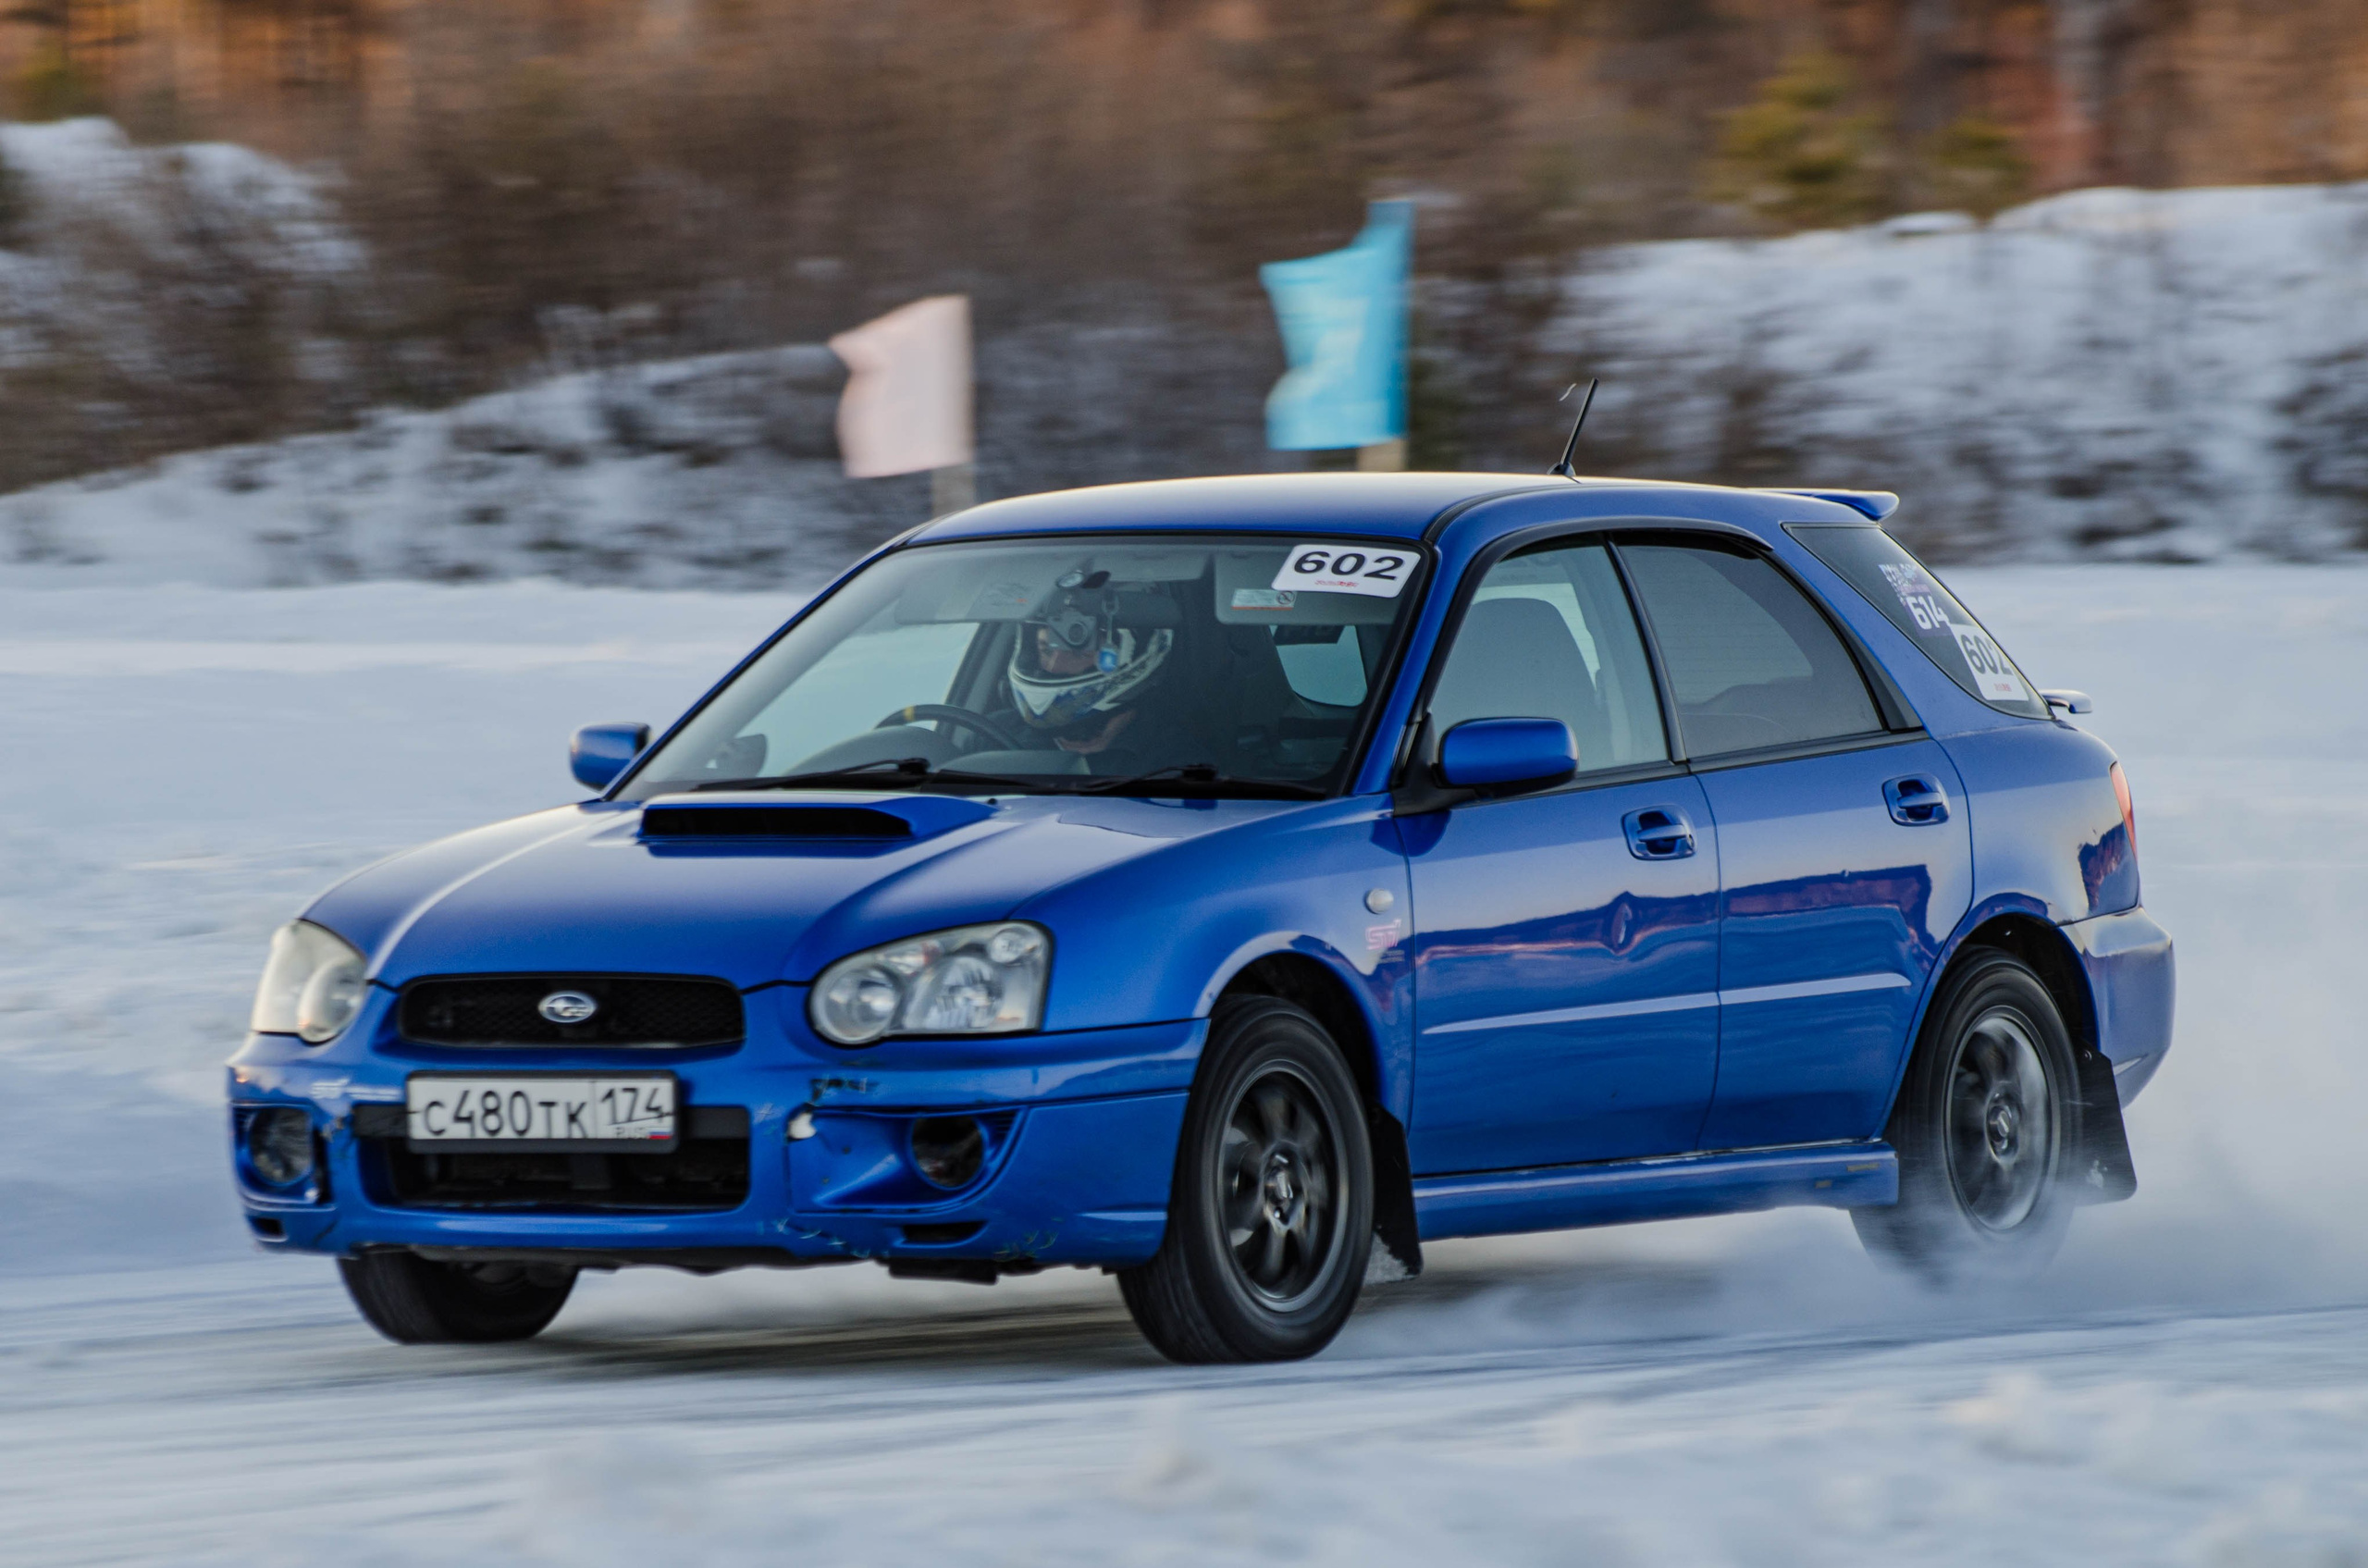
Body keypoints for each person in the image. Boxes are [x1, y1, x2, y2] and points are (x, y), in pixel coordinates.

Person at [1006, 569, 1175, 761]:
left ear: (1137, 653)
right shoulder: (989, 739)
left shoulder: (1177, 767)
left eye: (1078, 652)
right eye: (1046, 650)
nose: (1053, 668)